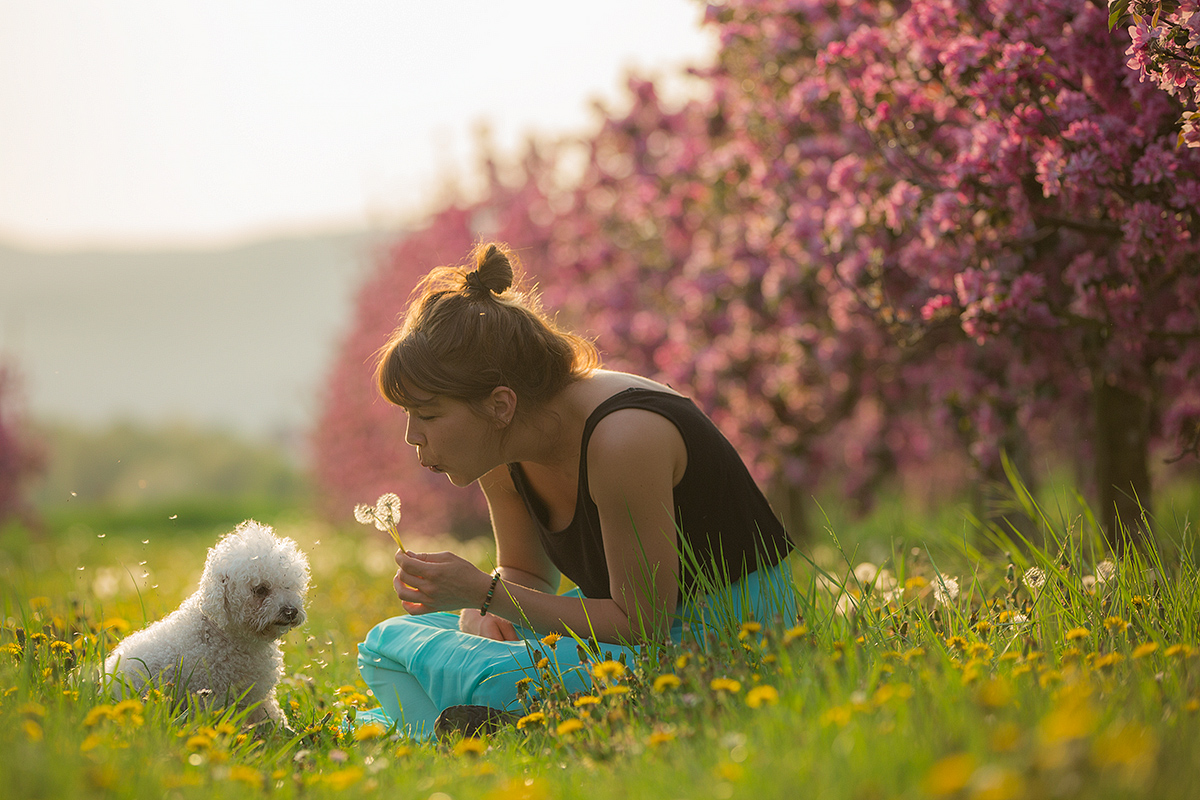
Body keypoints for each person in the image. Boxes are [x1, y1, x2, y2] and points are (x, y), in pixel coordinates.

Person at [355, 242, 795, 738]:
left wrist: (484, 593)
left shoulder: (624, 438)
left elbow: (641, 622)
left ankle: (480, 724)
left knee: (479, 670)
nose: (413, 436)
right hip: (616, 640)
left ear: (500, 404)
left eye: (429, 415)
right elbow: (524, 572)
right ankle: (487, 721)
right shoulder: (506, 442)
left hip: (717, 642)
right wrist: (481, 613)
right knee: (386, 644)